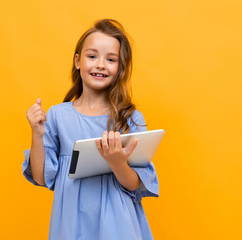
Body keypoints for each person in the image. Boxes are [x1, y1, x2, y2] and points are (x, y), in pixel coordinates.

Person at [23, 19, 159, 240]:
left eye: (111, 59)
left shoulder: (129, 118)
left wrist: (117, 163)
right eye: (92, 56)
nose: (101, 64)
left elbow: (135, 184)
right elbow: (40, 177)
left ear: (120, 67)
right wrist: (37, 134)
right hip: (71, 226)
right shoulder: (58, 115)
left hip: (119, 227)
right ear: (78, 61)